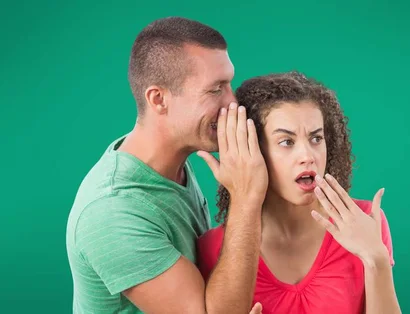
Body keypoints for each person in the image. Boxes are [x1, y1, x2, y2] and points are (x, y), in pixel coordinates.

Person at [66, 17, 267, 314]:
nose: (233, 102)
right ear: (159, 99)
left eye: (229, 84)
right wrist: (246, 198)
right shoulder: (111, 211)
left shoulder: (175, 163)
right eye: (216, 89)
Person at [197, 71, 402, 314]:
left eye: (316, 139)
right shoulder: (213, 248)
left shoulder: (365, 221)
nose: (307, 157)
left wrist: (376, 259)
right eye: (286, 142)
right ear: (253, 150)